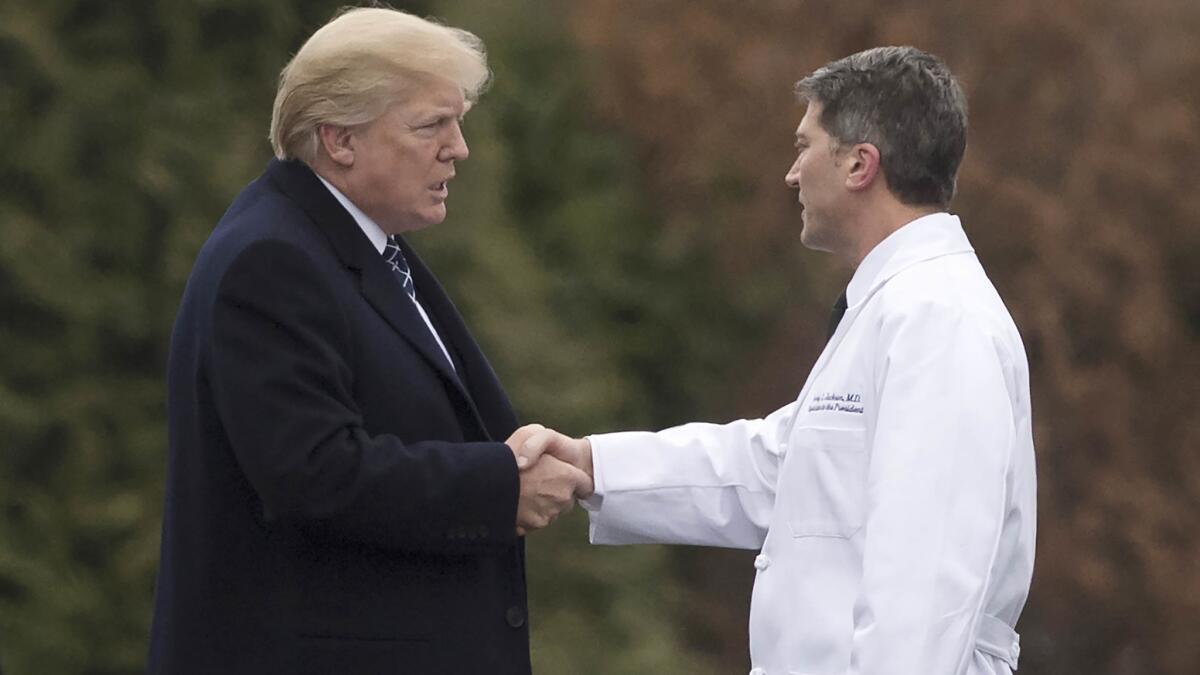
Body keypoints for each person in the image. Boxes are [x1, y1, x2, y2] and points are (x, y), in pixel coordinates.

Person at [513, 46, 1036, 675]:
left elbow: (923, 585)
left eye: (804, 145)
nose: (791, 174)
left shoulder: (937, 318)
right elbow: (779, 469)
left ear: (859, 165)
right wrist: (595, 465)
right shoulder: (899, 308)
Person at [147, 8, 588, 674]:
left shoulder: (354, 246)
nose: (459, 147)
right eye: (431, 124)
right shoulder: (271, 260)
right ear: (338, 139)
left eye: (458, 120)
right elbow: (312, 473)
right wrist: (497, 486)